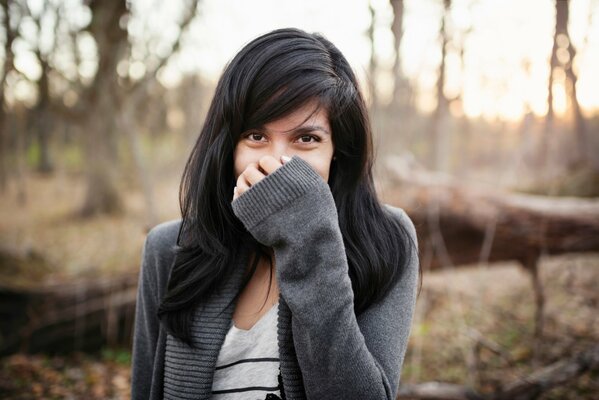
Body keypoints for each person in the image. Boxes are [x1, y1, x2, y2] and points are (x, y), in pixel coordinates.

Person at [131, 27, 421, 400]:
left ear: (339, 152)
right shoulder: (167, 248)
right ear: (227, 146)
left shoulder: (386, 240)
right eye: (255, 136)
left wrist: (308, 238)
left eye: (306, 139)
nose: (275, 162)